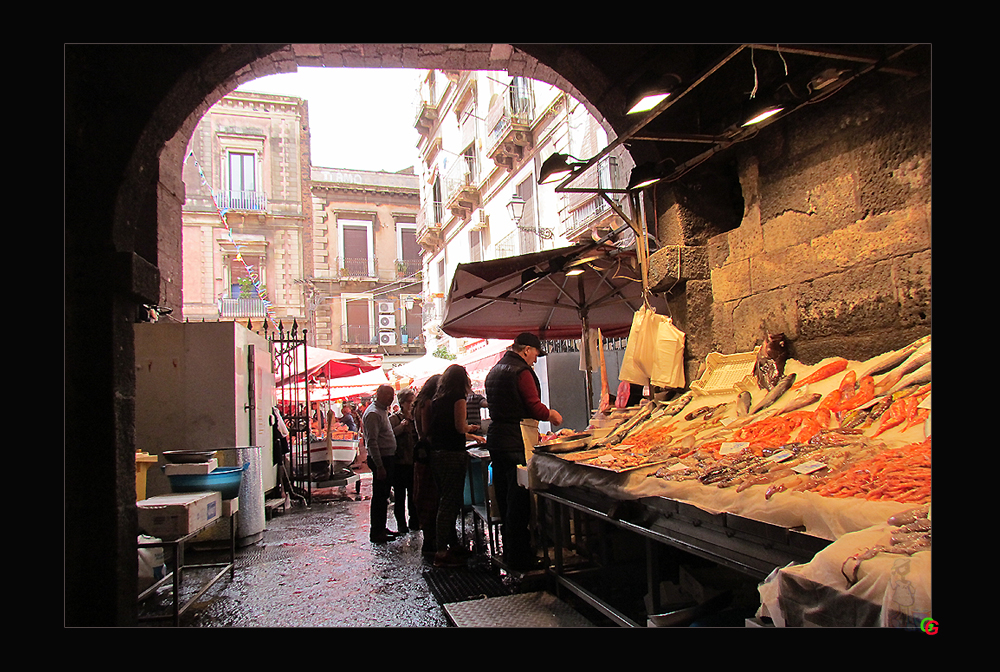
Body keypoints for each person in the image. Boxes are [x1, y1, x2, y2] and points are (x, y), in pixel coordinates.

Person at [485, 332, 562, 572]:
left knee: (504, 497)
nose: (536, 360)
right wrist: (552, 415)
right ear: (527, 349)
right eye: (536, 354)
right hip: (515, 440)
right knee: (518, 501)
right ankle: (521, 557)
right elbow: (534, 406)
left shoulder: (495, 370)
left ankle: (510, 553)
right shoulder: (520, 371)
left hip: (497, 439)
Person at [429, 364, 486, 568]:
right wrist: (471, 429)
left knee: (446, 499)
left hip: (436, 454)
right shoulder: (458, 397)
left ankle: (450, 546)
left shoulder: (437, 399)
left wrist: (470, 435)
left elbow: (446, 427)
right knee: (449, 502)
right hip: (452, 454)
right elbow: (459, 427)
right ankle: (442, 551)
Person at [362, 384, 399, 543]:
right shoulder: (373, 414)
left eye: (392, 395)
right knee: (379, 497)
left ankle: (381, 527)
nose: (392, 398)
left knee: (383, 496)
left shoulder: (381, 411)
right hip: (381, 459)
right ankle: (376, 532)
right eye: (389, 395)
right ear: (379, 395)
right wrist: (379, 466)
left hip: (386, 457)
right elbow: (372, 442)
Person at [412, 375, 441, 557]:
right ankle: (431, 540)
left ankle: (429, 537)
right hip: (428, 455)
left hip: (421, 456)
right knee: (431, 496)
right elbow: (427, 431)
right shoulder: (427, 404)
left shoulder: (418, 403)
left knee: (422, 495)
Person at [389, 388, 418, 533]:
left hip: (413, 462)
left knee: (414, 494)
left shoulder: (416, 418)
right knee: (400, 495)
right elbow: (389, 436)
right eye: (409, 402)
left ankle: (414, 520)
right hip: (400, 462)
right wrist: (401, 427)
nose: (411, 405)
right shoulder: (394, 419)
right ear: (402, 403)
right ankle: (401, 523)